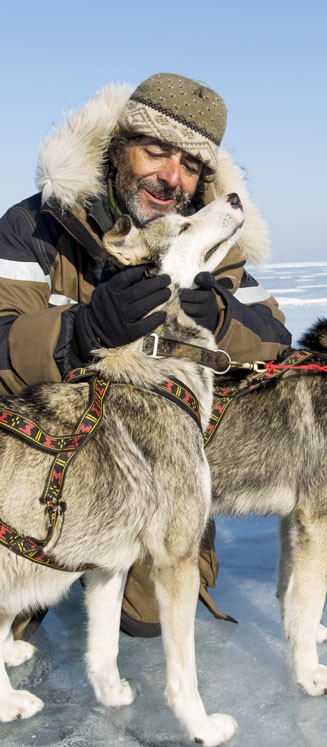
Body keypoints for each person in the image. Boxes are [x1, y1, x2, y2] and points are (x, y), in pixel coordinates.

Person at [0, 73, 292, 639]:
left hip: (149, 464)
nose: (171, 177)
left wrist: (223, 318)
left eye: (190, 165)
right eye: (156, 152)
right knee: (16, 607)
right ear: (117, 149)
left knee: (149, 616)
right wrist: (78, 331)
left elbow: (276, 343)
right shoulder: (35, 225)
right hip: (44, 458)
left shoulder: (214, 240)